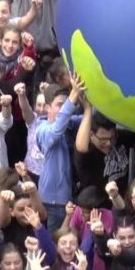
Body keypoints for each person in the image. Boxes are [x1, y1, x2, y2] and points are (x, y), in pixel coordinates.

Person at [36, 77, 84, 234]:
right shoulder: (42, 129)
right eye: (59, 105)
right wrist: (73, 96)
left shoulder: (70, 123)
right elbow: (56, 131)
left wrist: (87, 102)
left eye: (67, 104)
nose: (64, 108)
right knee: (57, 242)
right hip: (53, 203)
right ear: (48, 108)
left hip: (72, 197)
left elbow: (89, 118)